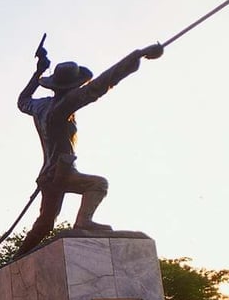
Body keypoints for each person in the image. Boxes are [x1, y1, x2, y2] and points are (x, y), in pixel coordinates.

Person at [15, 41, 164, 256]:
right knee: (98, 184)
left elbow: (23, 100)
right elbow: (100, 85)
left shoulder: (40, 107)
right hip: (61, 172)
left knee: (46, 223)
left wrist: (38, 71)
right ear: (73, 87)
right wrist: (137, 56)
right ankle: (84, 221)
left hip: (48, 174)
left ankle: (19, 257)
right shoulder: (63, 106)